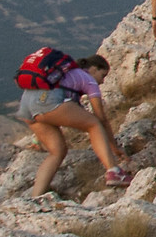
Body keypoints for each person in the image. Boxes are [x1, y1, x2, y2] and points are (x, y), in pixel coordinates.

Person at [18, 52, 129, 198]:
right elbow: (101, 118)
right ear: (93, 69)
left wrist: (37, 139)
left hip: (25, 107)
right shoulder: (89, 80)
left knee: (57, 152)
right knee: (94, 124)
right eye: (103, 75)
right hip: (47, 101)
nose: (102, 82)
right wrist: (114, 147)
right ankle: (114, 172)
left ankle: (36, 197)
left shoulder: (66, 74)